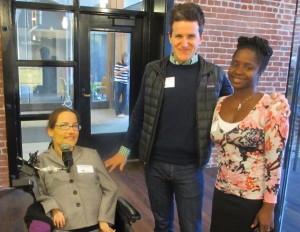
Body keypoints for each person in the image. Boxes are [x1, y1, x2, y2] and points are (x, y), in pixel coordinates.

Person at [105, 3, 290, 232]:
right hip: (155, 166)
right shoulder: (153, 71)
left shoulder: (214, 74)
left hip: (190, 168)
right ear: (170, 37)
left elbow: (239, 106)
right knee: (161, 224)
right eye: (179, 36)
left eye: (191, 36)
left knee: (191, 226)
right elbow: (139, 112)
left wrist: (276, 100)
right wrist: (124, 151)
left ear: (201, 37)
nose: (185, 43)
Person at [210, 36, 289, 232]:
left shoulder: (272, 108)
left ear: (260, 71)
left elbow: (275, 163)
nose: (238, 71)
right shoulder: (220, 103)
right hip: (221, 193)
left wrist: (269, 207)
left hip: (253, 201)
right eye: (235, 64)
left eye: (248, 67)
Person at [36, 107, 118, 232]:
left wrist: (104, 219)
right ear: (50, 131)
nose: (71, 131)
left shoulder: (91, 155)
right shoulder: (42, 160)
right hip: (64, 227)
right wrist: (54, 209)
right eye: (64, 126)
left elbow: (110, 188)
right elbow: (40, 192)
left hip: (97, 225)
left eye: (75, 126)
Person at [114, 52, 130, 118]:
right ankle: (118, 112)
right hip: (118, 82)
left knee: (125, 98)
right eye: (125, 58)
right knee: (117, 97)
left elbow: (128, 76)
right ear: (123, 58)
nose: (126, 60)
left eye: (128, 59)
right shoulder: (118, 64)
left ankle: (120, 110)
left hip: (125, 83)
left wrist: (129, 71)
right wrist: (123, 70)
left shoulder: (127, 65)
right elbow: (115, 73)